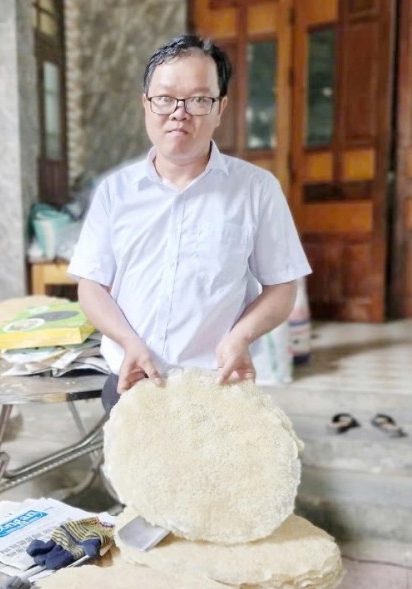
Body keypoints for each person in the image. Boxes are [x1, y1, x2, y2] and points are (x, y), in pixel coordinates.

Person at [68, 34, 311, 412]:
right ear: (146, 104)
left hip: (217, 384)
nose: (179, 113)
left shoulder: (256, 189)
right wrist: (129, 342)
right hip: (132, 380)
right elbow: (92, 285)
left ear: (220, 108)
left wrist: (240, 338)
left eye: (198, 99)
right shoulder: (115, 191)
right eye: (165, 98)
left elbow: (282, 285)